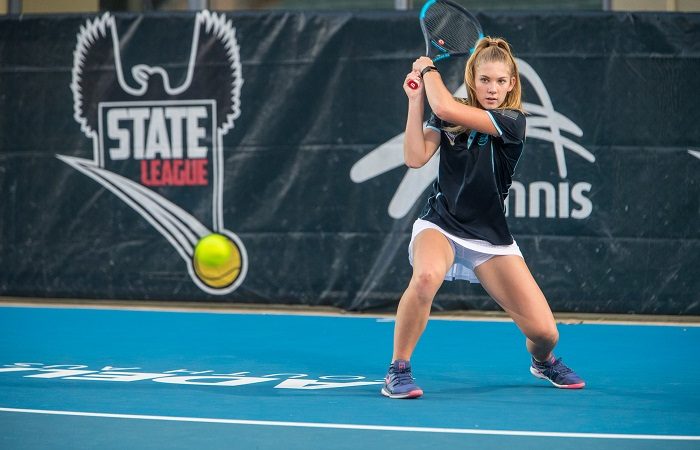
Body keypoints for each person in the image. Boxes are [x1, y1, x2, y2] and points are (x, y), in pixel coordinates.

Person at [381, 37, 585, 399]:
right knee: (426, 277)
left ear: (511, 84)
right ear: (473, 80)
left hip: (490, 238)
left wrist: (427, 69)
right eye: (485, 80)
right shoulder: (448, 113)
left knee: (545, 333)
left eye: (500, 81)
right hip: (441, 224)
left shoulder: (513, 120)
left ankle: (543, 362)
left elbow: (443, 103)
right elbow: (415, 157)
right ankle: (398, 369)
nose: (492, 88)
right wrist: (414, 101)